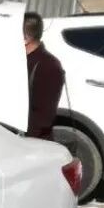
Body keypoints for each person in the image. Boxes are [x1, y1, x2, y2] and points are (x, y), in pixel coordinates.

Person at [24, 11, 64, 141]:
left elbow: (43, 117)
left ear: (25, 38)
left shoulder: (49, 65)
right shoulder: (19, 59)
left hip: (32, 141)